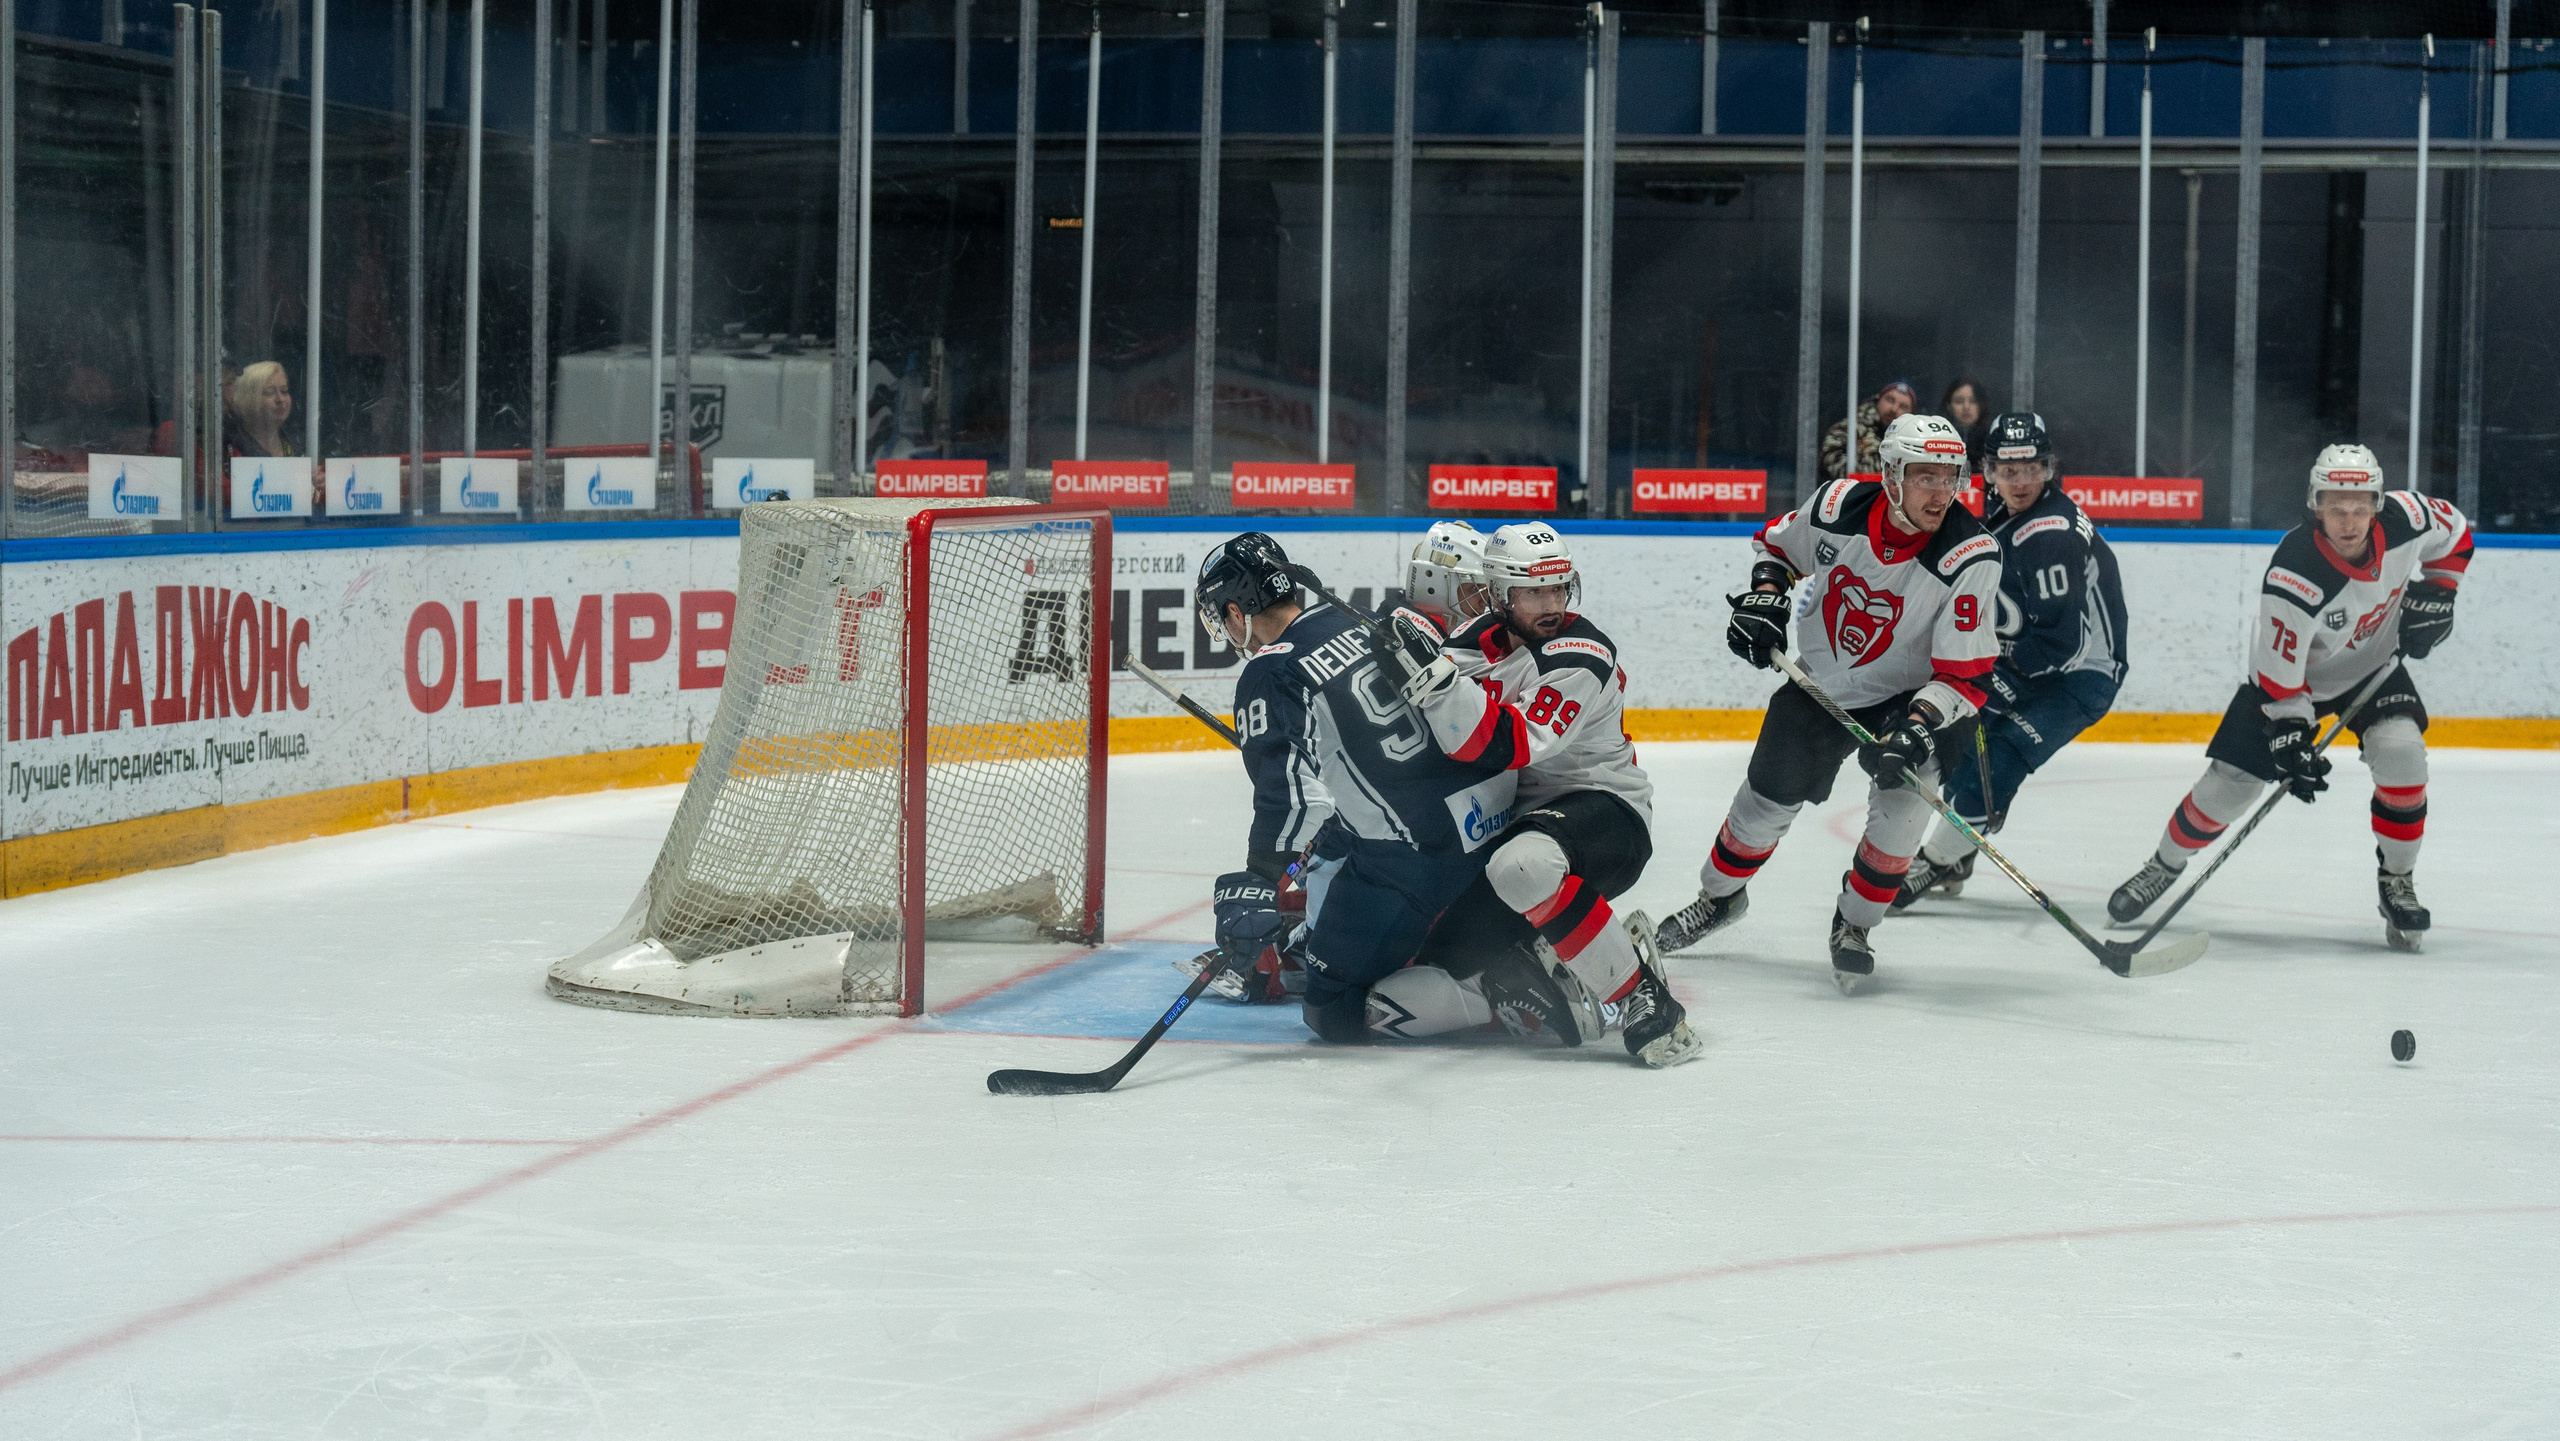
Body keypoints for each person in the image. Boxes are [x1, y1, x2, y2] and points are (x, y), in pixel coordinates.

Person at [1652, 413, 2002, 993]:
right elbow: (1778, 547)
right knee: (1761, 805)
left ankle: (1855, 925)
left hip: (1913, 699)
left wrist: (1918, 728)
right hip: (1822, 685)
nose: (1941, 493)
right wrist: (1765, 597)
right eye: (1924, 476)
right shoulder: (1838, 505)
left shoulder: (1969, 554)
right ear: (1891, 475)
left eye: (1950, 477)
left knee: (1901, 814)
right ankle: (1718, 900)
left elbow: (1965, 676)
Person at [2106, 444, 2472, 951]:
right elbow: (2281, 679)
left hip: (2374, 669)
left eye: (2360, 506)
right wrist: (2292, 735)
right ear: (2315, 506)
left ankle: (2397, 882)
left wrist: (2442, 591)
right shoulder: (2293, 573)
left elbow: (2455, 532)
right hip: (2295, 681)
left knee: (2402, 755)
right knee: (2229, 788)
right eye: (2335, 507)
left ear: (2377, 502)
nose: (2349, 520)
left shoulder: (2408, 518)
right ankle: (2162, 865)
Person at [1362, 523, 1700, 1068]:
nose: (1550, 604)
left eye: (1557, 588)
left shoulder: (1581, 654)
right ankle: (1532, 970)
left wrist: (1437, 684)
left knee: (1521, 869)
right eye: (1531, 591)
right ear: (1499, 594)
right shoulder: (1472, 644)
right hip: (1519, 825)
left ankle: (1638, 994)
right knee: (1410, 988)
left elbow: (1505, 744)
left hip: (1606, 814)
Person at [1190, 532, 1529, 1043]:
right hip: (1493, 819)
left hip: (1423, 856)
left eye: (1223, 616)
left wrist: (1259, 880)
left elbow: (1295, 798)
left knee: (1331, 1009)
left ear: (1237, 613)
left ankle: (1499, 991)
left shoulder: (1268, 671)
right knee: (1337, 841)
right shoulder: (1359, 615)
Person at [1896, 412, 2128, 906]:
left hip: (2082, 676)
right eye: (2007, 469)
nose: (2019, 481)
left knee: (1998, 761)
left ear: (2049, 468)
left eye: (2030, 469)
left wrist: (1994, 687)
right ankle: (1957, 854)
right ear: (1989, 471)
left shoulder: (2051, 535)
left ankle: (1935, 862)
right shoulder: (1999, 515)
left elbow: (2064, 646)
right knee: (1962, 750)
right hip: (2028, 660)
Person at [1821, 379, 1916, 481]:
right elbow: (1829, 458)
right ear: (1878, 400)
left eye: (1903, 407)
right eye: (1890, 400)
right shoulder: (1850, 428)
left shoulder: (1913, 444)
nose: (1894, 409)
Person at [231, 362, 298, 459]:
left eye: (284, 391)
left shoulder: (298, 443)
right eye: (269, 392)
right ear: (248, 398)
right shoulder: (233, 446)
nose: (280, 399)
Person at [1939, 375, 1991, 473]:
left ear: (1981, 405)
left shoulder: (1991, 441)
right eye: (1959, 401)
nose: (1966, 407)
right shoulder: (1937, 437)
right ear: (1948, 406)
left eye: (1973, 401)